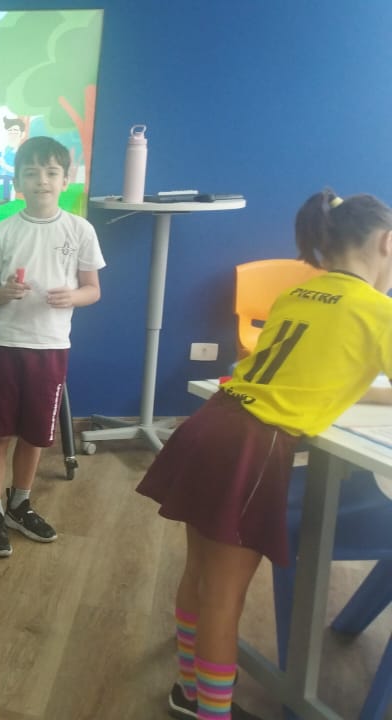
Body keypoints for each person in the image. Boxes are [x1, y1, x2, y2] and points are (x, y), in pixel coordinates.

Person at [137, 189, 392, 720]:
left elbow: (315, 370)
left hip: (211, 423)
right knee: (224, 598)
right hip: (252, 447)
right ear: (387, 243)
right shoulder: (378, 311)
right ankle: (211, 713)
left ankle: (188, 691)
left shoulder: (298, 294)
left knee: (200, 576)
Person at [0, 136, 104, 558]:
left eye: (51, 172)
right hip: (4, 345)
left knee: (36, 435)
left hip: (51, 347)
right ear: (17, 182)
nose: (41, 179)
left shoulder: (80, 230)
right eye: (31, 172)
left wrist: (73, 296)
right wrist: (3, 292)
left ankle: (19, 504)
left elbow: (93, 289)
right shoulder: (3, 231)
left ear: (66, 179)